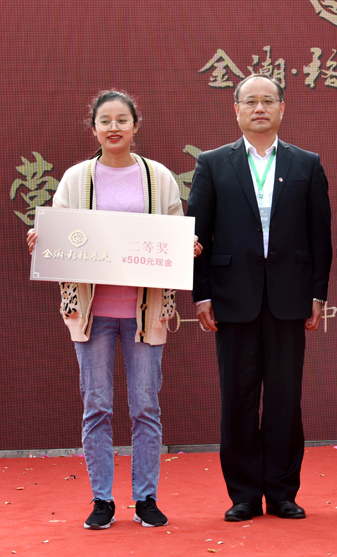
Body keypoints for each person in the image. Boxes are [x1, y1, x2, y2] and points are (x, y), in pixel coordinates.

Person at [27, 90, 201, 530]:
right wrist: (41, 239)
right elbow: (60, 232)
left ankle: (146, 498)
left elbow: (174, 231)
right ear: (94, 129)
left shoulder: (159, 177)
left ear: (136, 125)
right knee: (97, 406)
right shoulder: (76, 178)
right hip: (93, 312)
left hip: (145, 311)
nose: (114, 128)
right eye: (105, 121)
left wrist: (188, 246)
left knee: (145, 407)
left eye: (122, 119)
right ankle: (101, 499)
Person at [187, 74, 332, 522]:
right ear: (236, 110)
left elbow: (320, 235)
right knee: (239, 398)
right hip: (233, 297)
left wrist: (318, 293)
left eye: (268, 100)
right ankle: (244, 495)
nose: (259, 108)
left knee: (285, 398)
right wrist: (201, 295)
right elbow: (197, 235)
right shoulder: (213, 163)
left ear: (283, 108)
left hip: (289, 296)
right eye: (250, 101)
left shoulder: (307, 163)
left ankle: (283, 492)